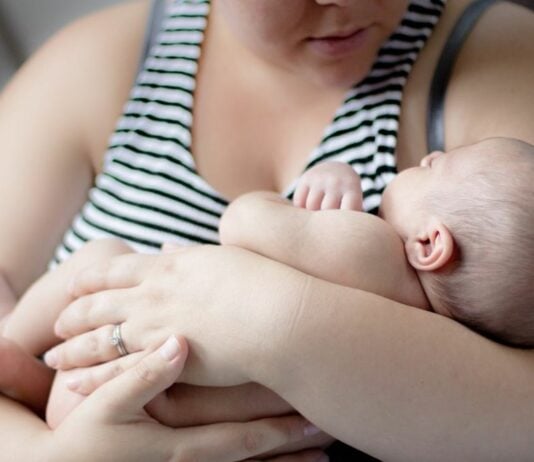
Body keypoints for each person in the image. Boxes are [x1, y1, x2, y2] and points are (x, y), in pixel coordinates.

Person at [0, 0, 533, 460]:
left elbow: (247, 221)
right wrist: (38, 454)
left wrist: (268, 319)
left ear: (430, 246)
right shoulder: (98, 63)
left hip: (128, 382)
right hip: (98, 390)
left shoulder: (506, 68)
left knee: (99, 260)